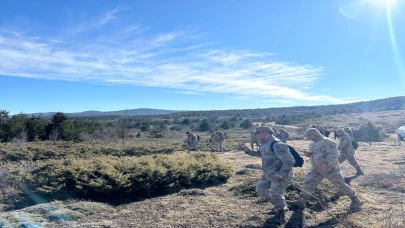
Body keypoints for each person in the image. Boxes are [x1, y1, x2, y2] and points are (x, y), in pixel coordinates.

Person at [288, 128, 363, 212]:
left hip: (330, 169)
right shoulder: (312, 144)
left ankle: (356, 199)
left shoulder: (329, 142)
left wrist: (323, 163)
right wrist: (310, 154)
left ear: (315, 134)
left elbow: (333, 156)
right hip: (316, 169)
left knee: (340, 185)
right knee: (308, 182)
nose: (308, 137)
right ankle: (301, 202)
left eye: (309, 135)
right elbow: (316, 154)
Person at [241, 127, 295, 224]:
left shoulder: (277, 145)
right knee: (260, 189)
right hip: (268, 173)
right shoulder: (264, 144)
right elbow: (261, 154)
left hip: (280, 175)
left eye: (258, 133)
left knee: (275, 193)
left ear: (265, 133)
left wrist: (281, 173)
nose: (256, 135)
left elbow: (290, 161)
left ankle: (281, 213)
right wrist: (248, 151)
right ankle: (277, 205)